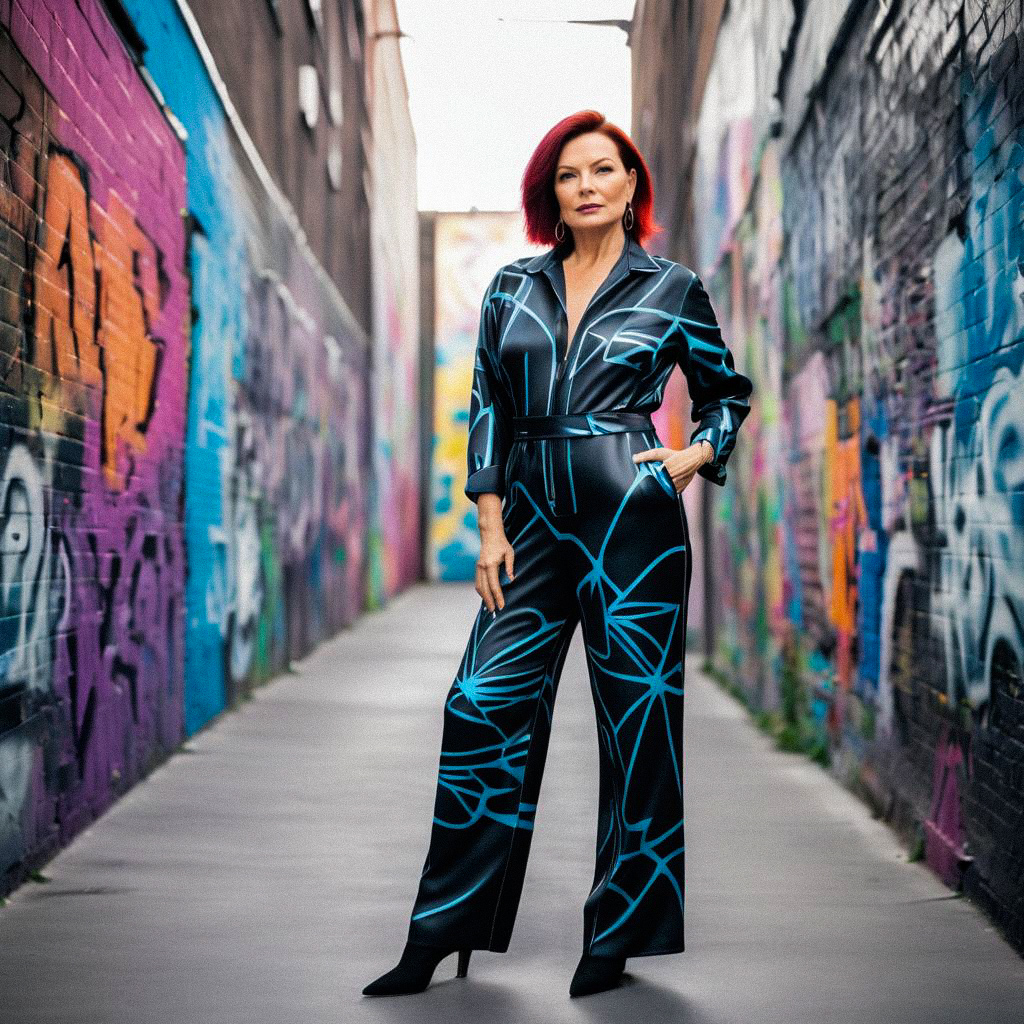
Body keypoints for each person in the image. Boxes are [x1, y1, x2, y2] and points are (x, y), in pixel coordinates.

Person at [363, 110, 753, 999]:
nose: (585, 184)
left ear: (629, 186)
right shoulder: (511, 287)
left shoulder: (672, 286)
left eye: (602, 170)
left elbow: (727, 393)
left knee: (638, 729)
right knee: (478, 708)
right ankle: (441, 930)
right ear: (552, 192)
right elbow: (490, 403)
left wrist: (696, 453)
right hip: (532, 523)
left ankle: (616, 936)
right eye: (569, 173)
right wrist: (489, 524)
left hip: (634, 522)